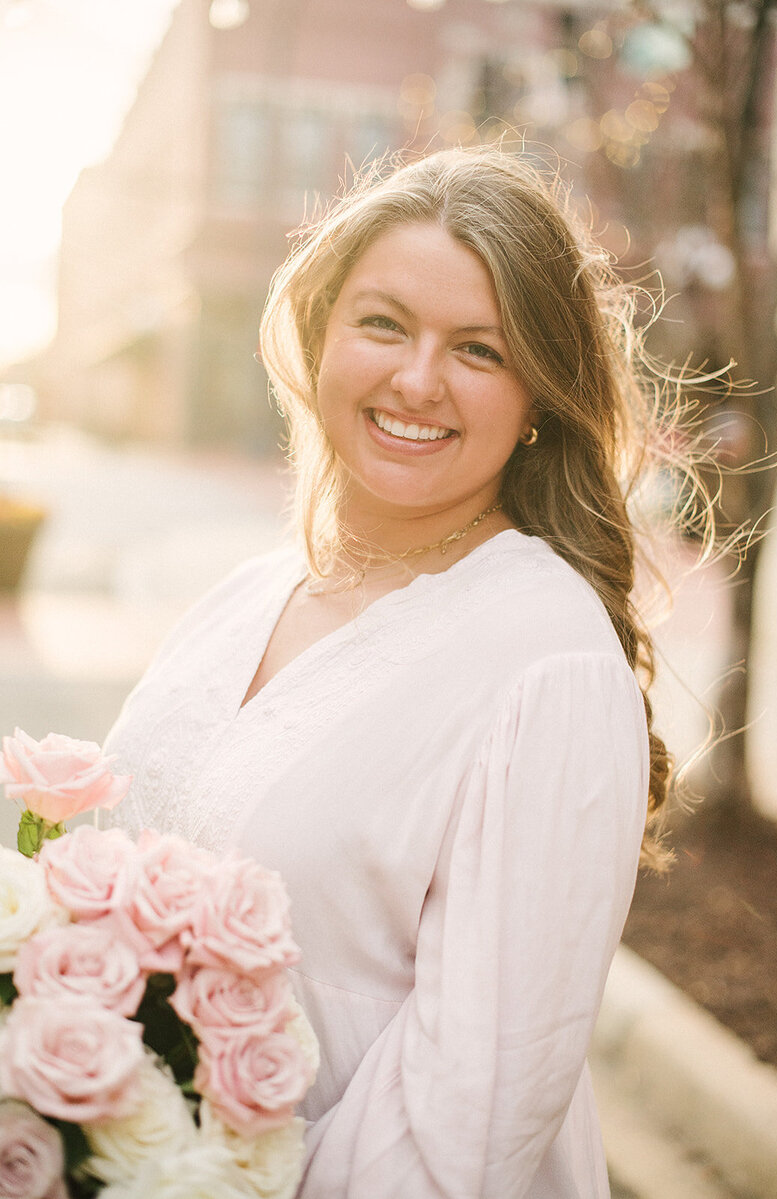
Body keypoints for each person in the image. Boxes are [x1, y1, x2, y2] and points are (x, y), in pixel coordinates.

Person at [105, 146, 678, 1198]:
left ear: (538, 391)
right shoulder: (244, 596)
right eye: (383, 323)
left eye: (478, 349)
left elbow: (470, 1122)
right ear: (320, 329)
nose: (417, 379)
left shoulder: (544, 660)